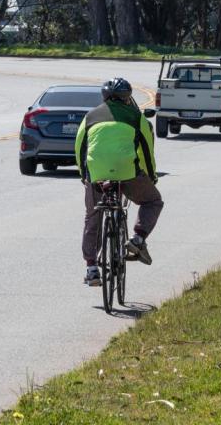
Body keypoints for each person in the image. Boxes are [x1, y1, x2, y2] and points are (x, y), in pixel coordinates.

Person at [75, 78, 163, 286]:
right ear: (128, 97)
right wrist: (151, 177)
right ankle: (138, 239)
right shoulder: (136, 117)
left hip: (96, 174)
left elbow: (80, 149)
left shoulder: (90, 116)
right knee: (153, 201)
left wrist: (84, 176)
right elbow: (147, 153)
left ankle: (91, 268)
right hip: (127, 171)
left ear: (103, 97)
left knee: (92, 216)